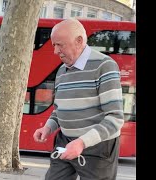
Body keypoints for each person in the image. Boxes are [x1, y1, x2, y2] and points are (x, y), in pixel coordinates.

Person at [33, 18, 124, 180]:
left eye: (60, 44)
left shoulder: (104, 66)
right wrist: (48, 127)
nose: (55, 51)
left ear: (79, 41)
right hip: (65, 141)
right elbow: (59, 109)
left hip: (98, 147)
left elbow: (115, 118)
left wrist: (81, 142)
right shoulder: (62, 71)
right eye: (54, 45)